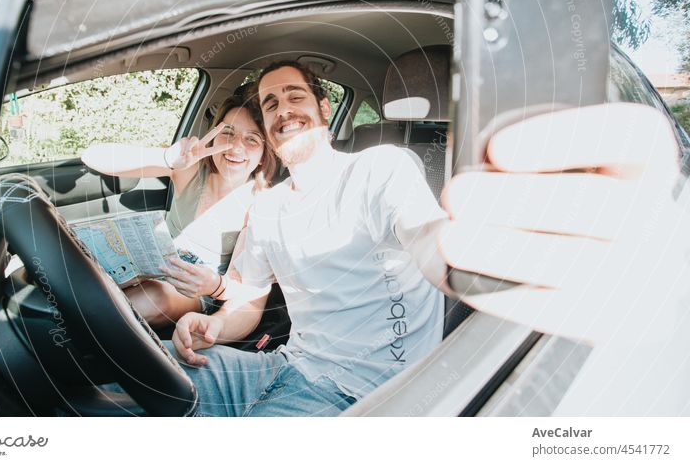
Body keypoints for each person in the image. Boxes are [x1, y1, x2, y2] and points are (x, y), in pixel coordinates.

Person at [168, 60, 689, 417]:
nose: (283, 109)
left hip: (356, 393)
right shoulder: (269, 208)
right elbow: (248, 303)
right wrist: (211, 324)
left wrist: (483, 252)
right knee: (155, 382)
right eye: (271, 103)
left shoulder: (380, 169)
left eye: (295, 96)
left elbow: (428, 240)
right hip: (282, 366)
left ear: (324, 108)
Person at [81, 88, 278, 327]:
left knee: (152, 299)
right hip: (153, 262)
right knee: (82, 266)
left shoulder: (260, 205)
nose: (235, 147)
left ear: (263, 155)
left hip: (199, 287)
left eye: (252, 139)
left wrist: (214, 286)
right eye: (228, 132)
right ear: (214, 135)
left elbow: (243, 288)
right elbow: (93, 156)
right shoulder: (190, 169)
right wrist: (166, 158)